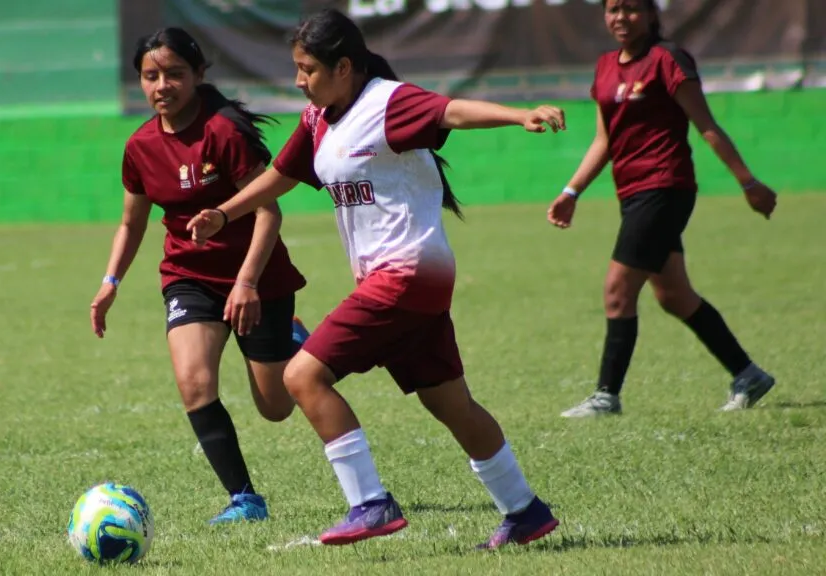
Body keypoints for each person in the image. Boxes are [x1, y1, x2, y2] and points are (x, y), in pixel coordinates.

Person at [187, 8, 565, 549]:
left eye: (307, 69)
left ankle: (370, 503)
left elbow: (452, 111)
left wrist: (519, 114)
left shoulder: (388, 102)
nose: (298, 80)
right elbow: (281, 176)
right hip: (408, 281)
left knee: (302, 375)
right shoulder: (317, 119)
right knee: (449, 403)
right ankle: (525, 510)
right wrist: (225, 214)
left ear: (344, 67)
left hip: (405, 274)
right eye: (296, 68)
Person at [89, 27, 310, 525]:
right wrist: (110, 283)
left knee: (276, 407)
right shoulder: (140, 146)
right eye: (150, 76)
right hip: (188, 276)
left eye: (174, 74)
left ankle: (294, 340)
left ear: (198, 75)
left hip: (257, 278)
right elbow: (131, 223)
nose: (161, 86)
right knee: (194, 382)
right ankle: (244, 499)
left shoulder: (223, 132)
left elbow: (269, 211)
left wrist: (247, 283)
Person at [548, 0, 778, 418]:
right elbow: (604, 141)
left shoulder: (668, 59)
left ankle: (606, 396)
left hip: (665, 187)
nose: (621, 17)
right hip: (632, 193)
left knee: (617, 291)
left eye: (632, 9)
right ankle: (749, 374)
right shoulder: (605, 66)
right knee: (673, 295)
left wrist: (748, 182)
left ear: (652, 14)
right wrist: (571, 191)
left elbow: (706, 125)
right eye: (613, 9)